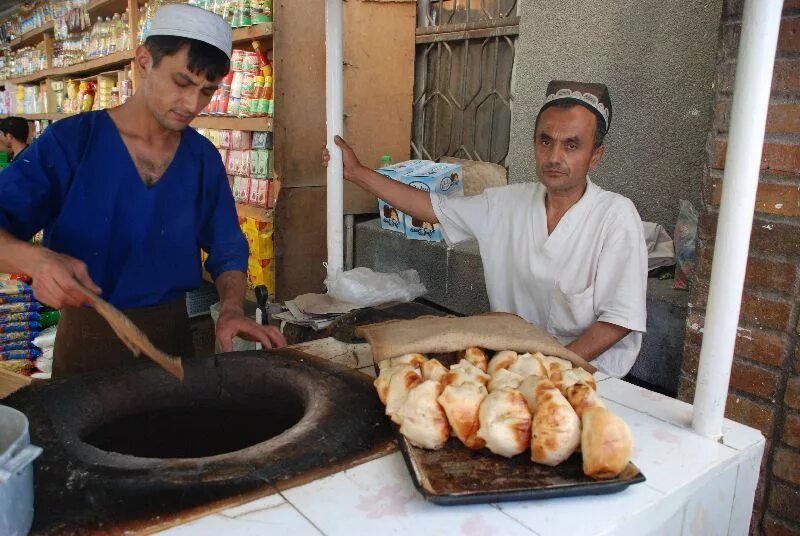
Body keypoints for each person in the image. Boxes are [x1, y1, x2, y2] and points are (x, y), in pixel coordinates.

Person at [0, 4, 286, 378]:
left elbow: (227, 248)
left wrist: (231, 308)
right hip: (87, 347)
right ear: (143, 61)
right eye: (182, 82)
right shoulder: (72, 142)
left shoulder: (201, 158)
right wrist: (35, 262)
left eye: (207, 91)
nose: (192, 104)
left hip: (173, 343)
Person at [325, 81, 647, 378]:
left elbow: (618, 320)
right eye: (545, 141)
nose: (554, 157)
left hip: (589, 378)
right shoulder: (506, 204)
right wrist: (357, 173)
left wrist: (552, 369)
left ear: (596, 156)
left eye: (572, 145)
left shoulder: (615, 217)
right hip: (513, 369)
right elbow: (432, 208)